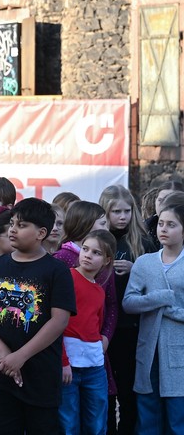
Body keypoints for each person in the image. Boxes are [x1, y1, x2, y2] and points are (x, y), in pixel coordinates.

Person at [0, 197, 76, 434]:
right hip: (1, 369)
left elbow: (59, 319)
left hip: (41, 372)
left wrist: (21, 356)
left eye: (21, 225)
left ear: (41, 232)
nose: (12, 229)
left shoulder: (56, 270)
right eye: (12, 224)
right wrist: (4, 353)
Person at [98, 185, 160, 435]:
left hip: (132, 325)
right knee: (102, 391)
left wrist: (136, 268)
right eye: (116, 211)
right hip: (100, 325)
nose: (122, 217)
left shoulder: (142, 240)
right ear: (105, 211)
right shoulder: (97, 240)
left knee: (128, 388)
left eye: (127, 211)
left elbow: (157, 277)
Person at [122, 202, 184, 435]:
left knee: (178, 421)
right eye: (160, 223)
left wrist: (171, 311)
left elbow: (170, 309)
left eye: (171, 224)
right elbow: (129, 302)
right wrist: (160, 298)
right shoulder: (145, 263)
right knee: (148, 418)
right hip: (148, 352)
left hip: (179, 354)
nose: (163, 229)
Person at [59, 230, 117, 435]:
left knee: (96, 423)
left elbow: (98, 324)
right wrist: (63, 361)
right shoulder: (67, 278)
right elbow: (57, 324)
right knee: (68, 423)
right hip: (69, 365)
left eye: (96, 252)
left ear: (107, 260)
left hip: (94, 367)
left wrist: (101, 343)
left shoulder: (99, 290)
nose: (88, 255)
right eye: (85, 249)